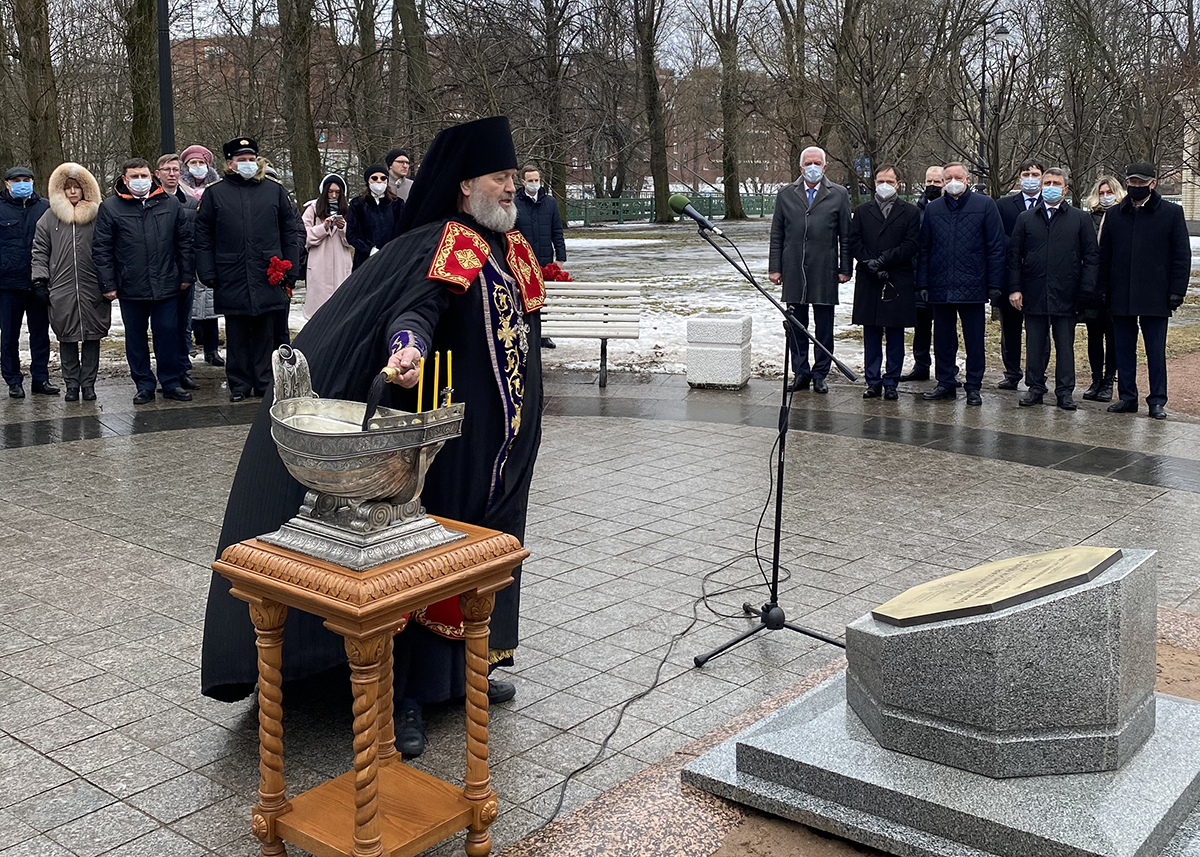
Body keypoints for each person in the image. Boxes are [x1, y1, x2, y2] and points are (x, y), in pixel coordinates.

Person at [201, 116, 542, 760]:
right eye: (501, 178)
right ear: (466, 185)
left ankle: (466, 672)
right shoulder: (451, 241)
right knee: (429, 558)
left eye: (513, 178)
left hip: (507, 437)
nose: (511, 188)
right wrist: (406, 349)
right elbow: (415, 310)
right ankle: (407, 694)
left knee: (488, 554)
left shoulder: (514, 246)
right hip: (449, 436)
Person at [193, 137, 302, 402]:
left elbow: (290, 230)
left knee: (266, 330)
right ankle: (239, 383)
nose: (248, 164)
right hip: (231, 272)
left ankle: (264, 382)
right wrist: (206, 271)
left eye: (251, 159)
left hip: (268, 272)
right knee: (237, 331)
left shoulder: (273, 190)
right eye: (242, 160)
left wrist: (291, 266)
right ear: (230, 163)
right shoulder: (215, 193)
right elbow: (203, 235)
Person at [92, 157, 195, 404]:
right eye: (135, 177)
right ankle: (143, 384)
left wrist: (186, 275)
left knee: (168, 334)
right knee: (136, 338)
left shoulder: (170, 204)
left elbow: (184, 242)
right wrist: (108, 284)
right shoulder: (111, 207)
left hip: (167, 284)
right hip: (131, 286)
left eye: (144, 176)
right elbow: (101, 248)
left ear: (152, 176)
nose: (141, 181)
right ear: (124, 180)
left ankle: (170, 382)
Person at [1098, 162, 1190, 420]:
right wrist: (1102, 289)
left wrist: (1176, 291)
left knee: (1155, 351)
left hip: (1156, 294)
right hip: (1121, 293)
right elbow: (1105, 255)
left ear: (1153, 182)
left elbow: (1182, 256)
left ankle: (1157, 400)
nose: (1136, 186)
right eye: (1132, 182)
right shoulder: (1116, 214)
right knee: (1123, 349)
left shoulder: (1171, 213)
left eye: (1141, 182)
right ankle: (1127, 396)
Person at [1006, 167, 1098, 410]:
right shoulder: (1026, 218)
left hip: (1066, 292)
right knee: (1035, 344)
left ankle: (1065, 391)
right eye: (1047, 182)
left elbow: (1091, 257)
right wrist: (1015, 288)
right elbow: (1014, 257)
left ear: (1065, 189)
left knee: (1065, 345)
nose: (1050, 187)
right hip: (1034, 290)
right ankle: (1035, 387)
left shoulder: (1080, 218)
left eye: (1056, 183)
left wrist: (1086, 291)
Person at [916, 162, 1006, 406]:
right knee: (943, 339)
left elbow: (996, 247)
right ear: (943, 182)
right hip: (940, 284)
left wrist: (994, 283)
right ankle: (945, 382)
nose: (953, 182)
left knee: (974, 340)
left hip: (973, 285)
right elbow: (925, 249)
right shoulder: (934, 209)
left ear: (967, 180)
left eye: (958, 177)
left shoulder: (985, 205)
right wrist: (922, 284)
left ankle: (974, 386)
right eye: (948, 178)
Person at [768, 146, 852, 392]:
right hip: (793, 268)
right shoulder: (785, 194)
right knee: (796, 325)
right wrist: (775, 267)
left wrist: (845, 268)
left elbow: (846, 236)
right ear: (801, 167)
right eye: (808, 163)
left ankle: (820, 374)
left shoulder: (838, 194)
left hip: (825, 269)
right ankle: (801, 372)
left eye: (817, 163)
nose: (812, 167)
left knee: (824, 326)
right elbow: (777, 234)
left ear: (825, 167)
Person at [31, 163, 110, 402]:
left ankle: (89, 384)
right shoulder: (49, 217)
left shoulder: (98, 216)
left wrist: (108, 280)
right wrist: (40, 279)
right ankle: (71, 384)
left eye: (77, 187)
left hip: (92, 286)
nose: (73, 192)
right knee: (66, 336)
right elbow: (40, 250)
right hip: (62, 287)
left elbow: (108, 248)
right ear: (61, 191)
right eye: (68, 188)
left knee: (92, 335)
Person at [848, 164, 921, 400]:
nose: (884, 185)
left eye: (889, 181)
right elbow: (854, 240)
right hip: (869, 278)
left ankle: (891, 381)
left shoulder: (909, 212)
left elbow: (911, 244)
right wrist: (869, 262)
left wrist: (883, 261)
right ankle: (873, 381)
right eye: (880, 181)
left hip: (896, 278)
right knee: (871, 332)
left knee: (895, 333)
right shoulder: (861, 211)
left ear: (898, 183)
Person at [0, 166, 55, 398]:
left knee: (40, 334)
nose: (22, 184)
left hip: (38, 282)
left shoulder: (46, 207)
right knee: (9, 336)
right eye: (17, 180)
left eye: (26, 180)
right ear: (7, 184)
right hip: (8, 284)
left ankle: (41, 379)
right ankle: (13, 380)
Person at [993, 161, 1045, 390]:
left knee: (1040, 331)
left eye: (1035, 174)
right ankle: (1012, 373)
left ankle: (1038, 375)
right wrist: (1018, 248)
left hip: (1040, 276)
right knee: (1010, 329)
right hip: (1010, 274)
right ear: (1019, 179)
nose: (1031, 178)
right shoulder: (1003, 205)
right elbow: (997, 235)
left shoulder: (1050, 204)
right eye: (1026, 174)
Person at [156, 154, 200, 391]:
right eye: (167, 170)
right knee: (165, 327)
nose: (172, 174)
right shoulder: (152, 201)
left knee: (184, 325)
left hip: (185, 275)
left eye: (176, 170)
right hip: (159, 274)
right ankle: (167, 371)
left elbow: (193, 240)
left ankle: (182, 368)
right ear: (158, 174)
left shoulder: (191, 203)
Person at [179, 145, 224, 367]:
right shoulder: (179, 189)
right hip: (187, 253)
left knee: (211, 305)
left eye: (201, 163)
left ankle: (212, 348)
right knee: (190, 305)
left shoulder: (217, 188)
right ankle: (186, 347)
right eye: (193, 163)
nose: (198, 168)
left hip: (211, 252)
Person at [514, 163, 566, 349]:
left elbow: (557, 231)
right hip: (522, 261)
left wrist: (560, 257)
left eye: (536, 180)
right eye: (530, 181)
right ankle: (525, 333)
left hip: (544, 259)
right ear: (523, 182)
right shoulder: (514, 202)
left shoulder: (550, 202)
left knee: (543, 298)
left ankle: (544, 334)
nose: (534, 183)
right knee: (523, 298)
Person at [1081, 175, 1124, 402]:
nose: (1105, 197)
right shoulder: (1088, 219)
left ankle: (1109, 380)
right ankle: (1096, 379)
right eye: (1102, 193)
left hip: (1116, 287)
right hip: (1093, 286)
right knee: (1094, 335)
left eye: (1109, 192)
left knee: (1113, 337)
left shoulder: (1124, 218)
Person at [900, 166, 944, 382]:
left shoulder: (948, 208)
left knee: (945, 328)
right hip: (918, 276)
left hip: (943, 277)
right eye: (929, 182)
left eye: (937, 182)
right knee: (921, 326)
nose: (932, 186)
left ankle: (948, 368)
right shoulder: (915, 210)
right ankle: (921, 365)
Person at [301, 174, 353, 318]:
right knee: (318, 311)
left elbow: (353, 240)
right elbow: (303, 237)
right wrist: (323, 228)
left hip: (340, 264)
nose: (333, 195)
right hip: (319, 264)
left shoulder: (348, 210)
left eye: (337, 192)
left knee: (340, 309)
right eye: (330, 192)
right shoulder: (312, 209)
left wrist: (343, 228)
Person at [347, 164, 401, 270]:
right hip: (364, 260)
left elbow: (401, 230)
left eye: (383, 178)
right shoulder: (357, 204)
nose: (379, 181)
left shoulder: (397, 204)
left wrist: (389, 249)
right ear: (368, 181)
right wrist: (369, 249)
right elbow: (351, 233)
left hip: (390, 259)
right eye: (375, 178)